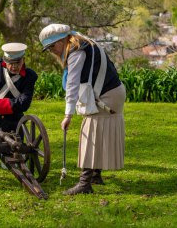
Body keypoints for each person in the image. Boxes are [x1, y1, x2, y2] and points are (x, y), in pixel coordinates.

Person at [39, 24, 126, 195]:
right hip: (114, 91)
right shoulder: (84, 42)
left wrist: (68, 115)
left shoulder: (76, 51)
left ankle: (84, 183)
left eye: (52, 46)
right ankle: (95, 176)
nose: (52, 51)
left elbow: (72, 85)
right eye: (48, 49)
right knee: (98, 133)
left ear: (62, 40)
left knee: (90, 135)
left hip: (107, 95)